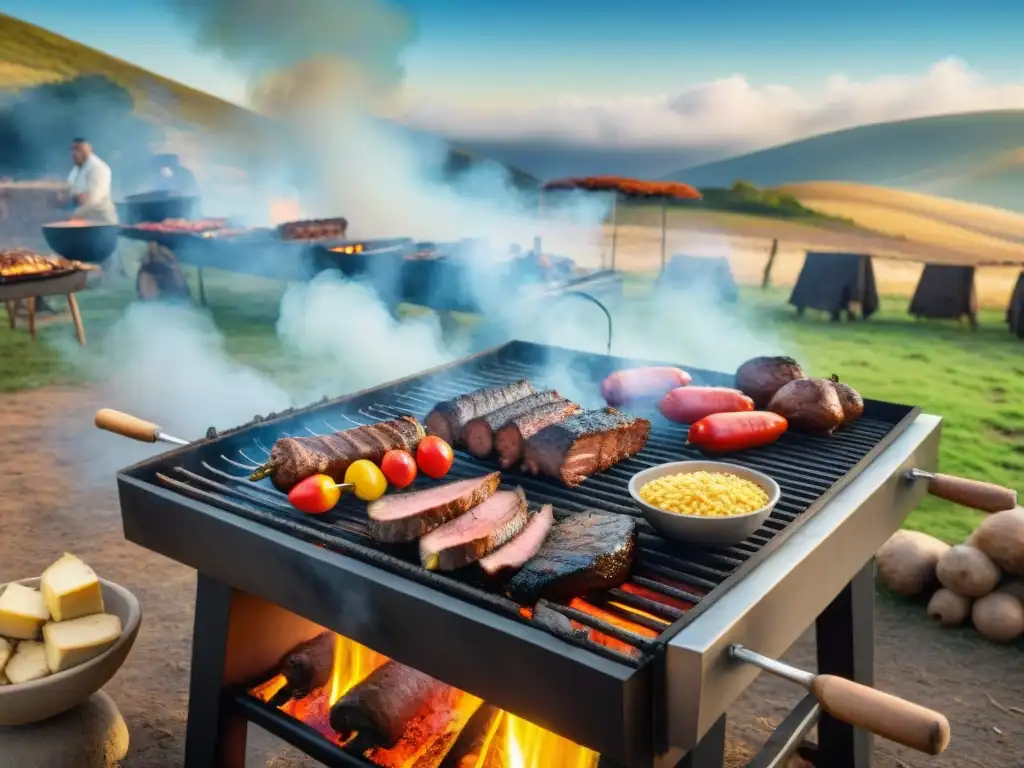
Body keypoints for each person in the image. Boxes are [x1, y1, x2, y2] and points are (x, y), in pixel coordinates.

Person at [65, 138, 118, 224]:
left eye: (78, 149)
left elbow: (94, 199)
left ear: (87, 150)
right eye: (72, 150)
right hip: (82, 221)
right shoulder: (75, 170)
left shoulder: (98, 168)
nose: (74, 153)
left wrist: (74, 214)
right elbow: (71, 191)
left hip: (101, 222)